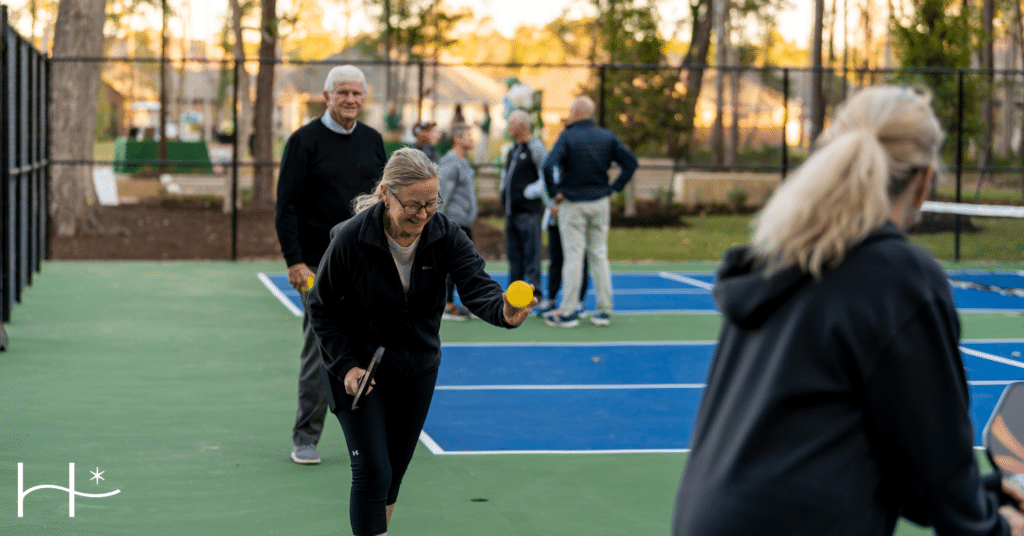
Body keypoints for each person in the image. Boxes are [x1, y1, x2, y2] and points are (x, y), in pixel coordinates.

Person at [672, 85, 1024, 536]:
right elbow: (940, 468)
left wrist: (992, 496)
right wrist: (998, 526)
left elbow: (912, 479)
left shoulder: (780, 261)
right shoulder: (898, 278)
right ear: (925, 181)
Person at [307, 148, 536, 536]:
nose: (423, 214)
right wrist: (346, 366)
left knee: (393, 472)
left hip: (417, 368)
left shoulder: (444, 234)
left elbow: (477, 285)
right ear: (386, 195)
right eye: (412, 204)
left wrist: (504, 312)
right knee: (372, 471)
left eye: (431, 203)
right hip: (361, 370)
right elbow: (321, 308)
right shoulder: (350, 239)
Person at [275, 64, 386, 465]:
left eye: (357, 94)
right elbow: (286, 206)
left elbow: (381, 203)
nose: (352, 100)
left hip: (366, 266)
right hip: (318, 270)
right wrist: (295, 261)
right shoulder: (304, 141)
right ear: (327, 97)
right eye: (343, 93)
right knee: (320, 351)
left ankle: (372, 436)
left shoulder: (374, 141)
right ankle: (306, 437)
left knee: (373, 352)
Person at [541, 96, 637, 328]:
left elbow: (547, 165)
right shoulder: (606, 136)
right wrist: (614, 188)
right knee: (599, 255)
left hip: (573, 203)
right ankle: (604, 310)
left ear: (575, 111)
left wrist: (556, 192)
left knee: (574, 256)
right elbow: (630, 162)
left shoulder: (568, 136)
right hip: (600, 202)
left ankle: (568, 311)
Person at [499, 110, 547, 307]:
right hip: (512, 213)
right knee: (515, 258)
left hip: (529, 213)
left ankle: (538, 296)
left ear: (523, 125)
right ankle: (515, 298)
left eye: (511, 123)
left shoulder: (535, 147)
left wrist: (532, 191)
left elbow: (548, 174)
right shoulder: (513, 149)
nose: (508, 127)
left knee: (532, 256)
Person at [436, 122, 478, 321]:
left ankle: (466, 303)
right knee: (454, 264)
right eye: (468, 135)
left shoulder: (464, 162)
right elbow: (442, 194)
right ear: (457, 138)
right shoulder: (451, 163)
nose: (472, 139)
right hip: (453, 222)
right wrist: (440, 221)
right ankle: (447, 304)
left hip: (463, 222)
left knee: (464, 264)